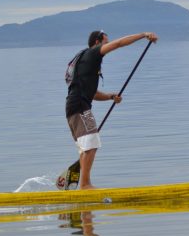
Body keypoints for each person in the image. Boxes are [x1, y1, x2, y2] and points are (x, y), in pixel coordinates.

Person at [65, 30, 158, 190]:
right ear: (97, 42)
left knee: (86, 146)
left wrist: (110, 96)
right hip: (80, 107)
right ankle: (85, 185)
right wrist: (143, 35)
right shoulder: (93, 53)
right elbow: (119, 44)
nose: (107, 46)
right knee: (92, 142)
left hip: (73, 107)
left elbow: (92, 93)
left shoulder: (85, 61)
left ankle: (84, 189)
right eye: (105, 42)